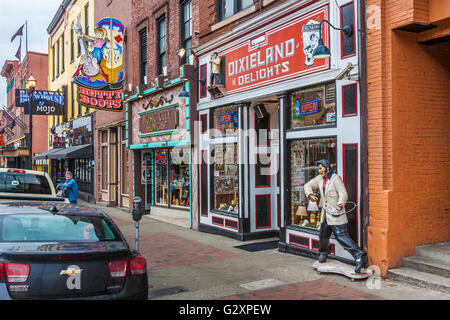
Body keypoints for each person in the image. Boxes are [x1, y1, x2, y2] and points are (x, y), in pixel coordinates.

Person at [304, 159, 368, 273]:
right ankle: (323, 253)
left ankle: (359, 255)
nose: (319, 171)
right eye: (318, 169)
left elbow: (343, 193)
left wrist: (340, 204)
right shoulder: (319, 179)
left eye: (320, 168)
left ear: (327, 167)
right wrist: (310, 194)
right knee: (323, 235)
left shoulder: (335, 179)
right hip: (325, 214)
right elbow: (307, 185)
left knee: (341, 236)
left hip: (335, 213)